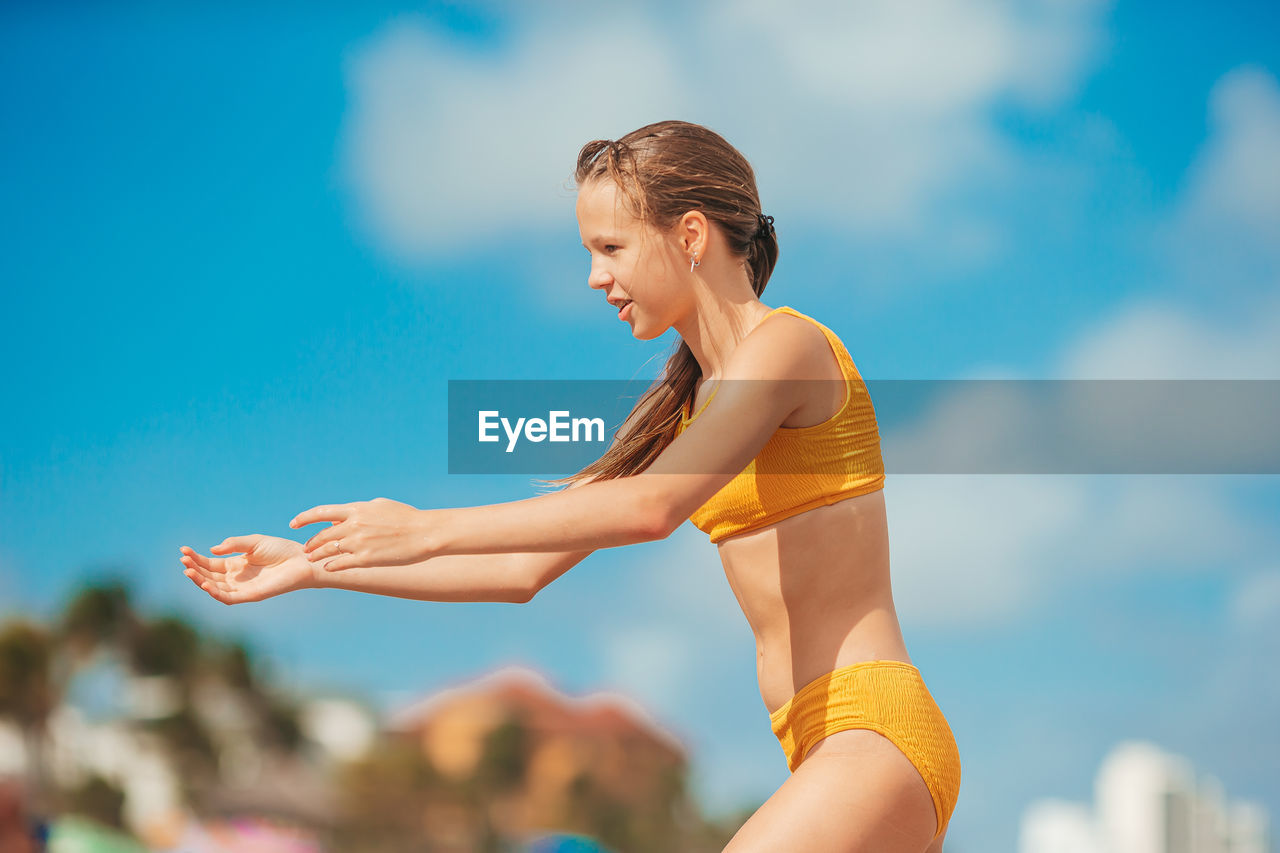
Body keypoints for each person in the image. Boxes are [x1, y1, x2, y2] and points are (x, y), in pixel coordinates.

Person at [179, 120, 961, 852]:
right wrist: (322, 562)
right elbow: (520, 570)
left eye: (611, 247)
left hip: (874, 731)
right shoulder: (683, 411)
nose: (595, 277)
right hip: (816, 745)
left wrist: (425, 525)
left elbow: (653, 508)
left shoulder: (787, 347)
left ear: (690, 235)